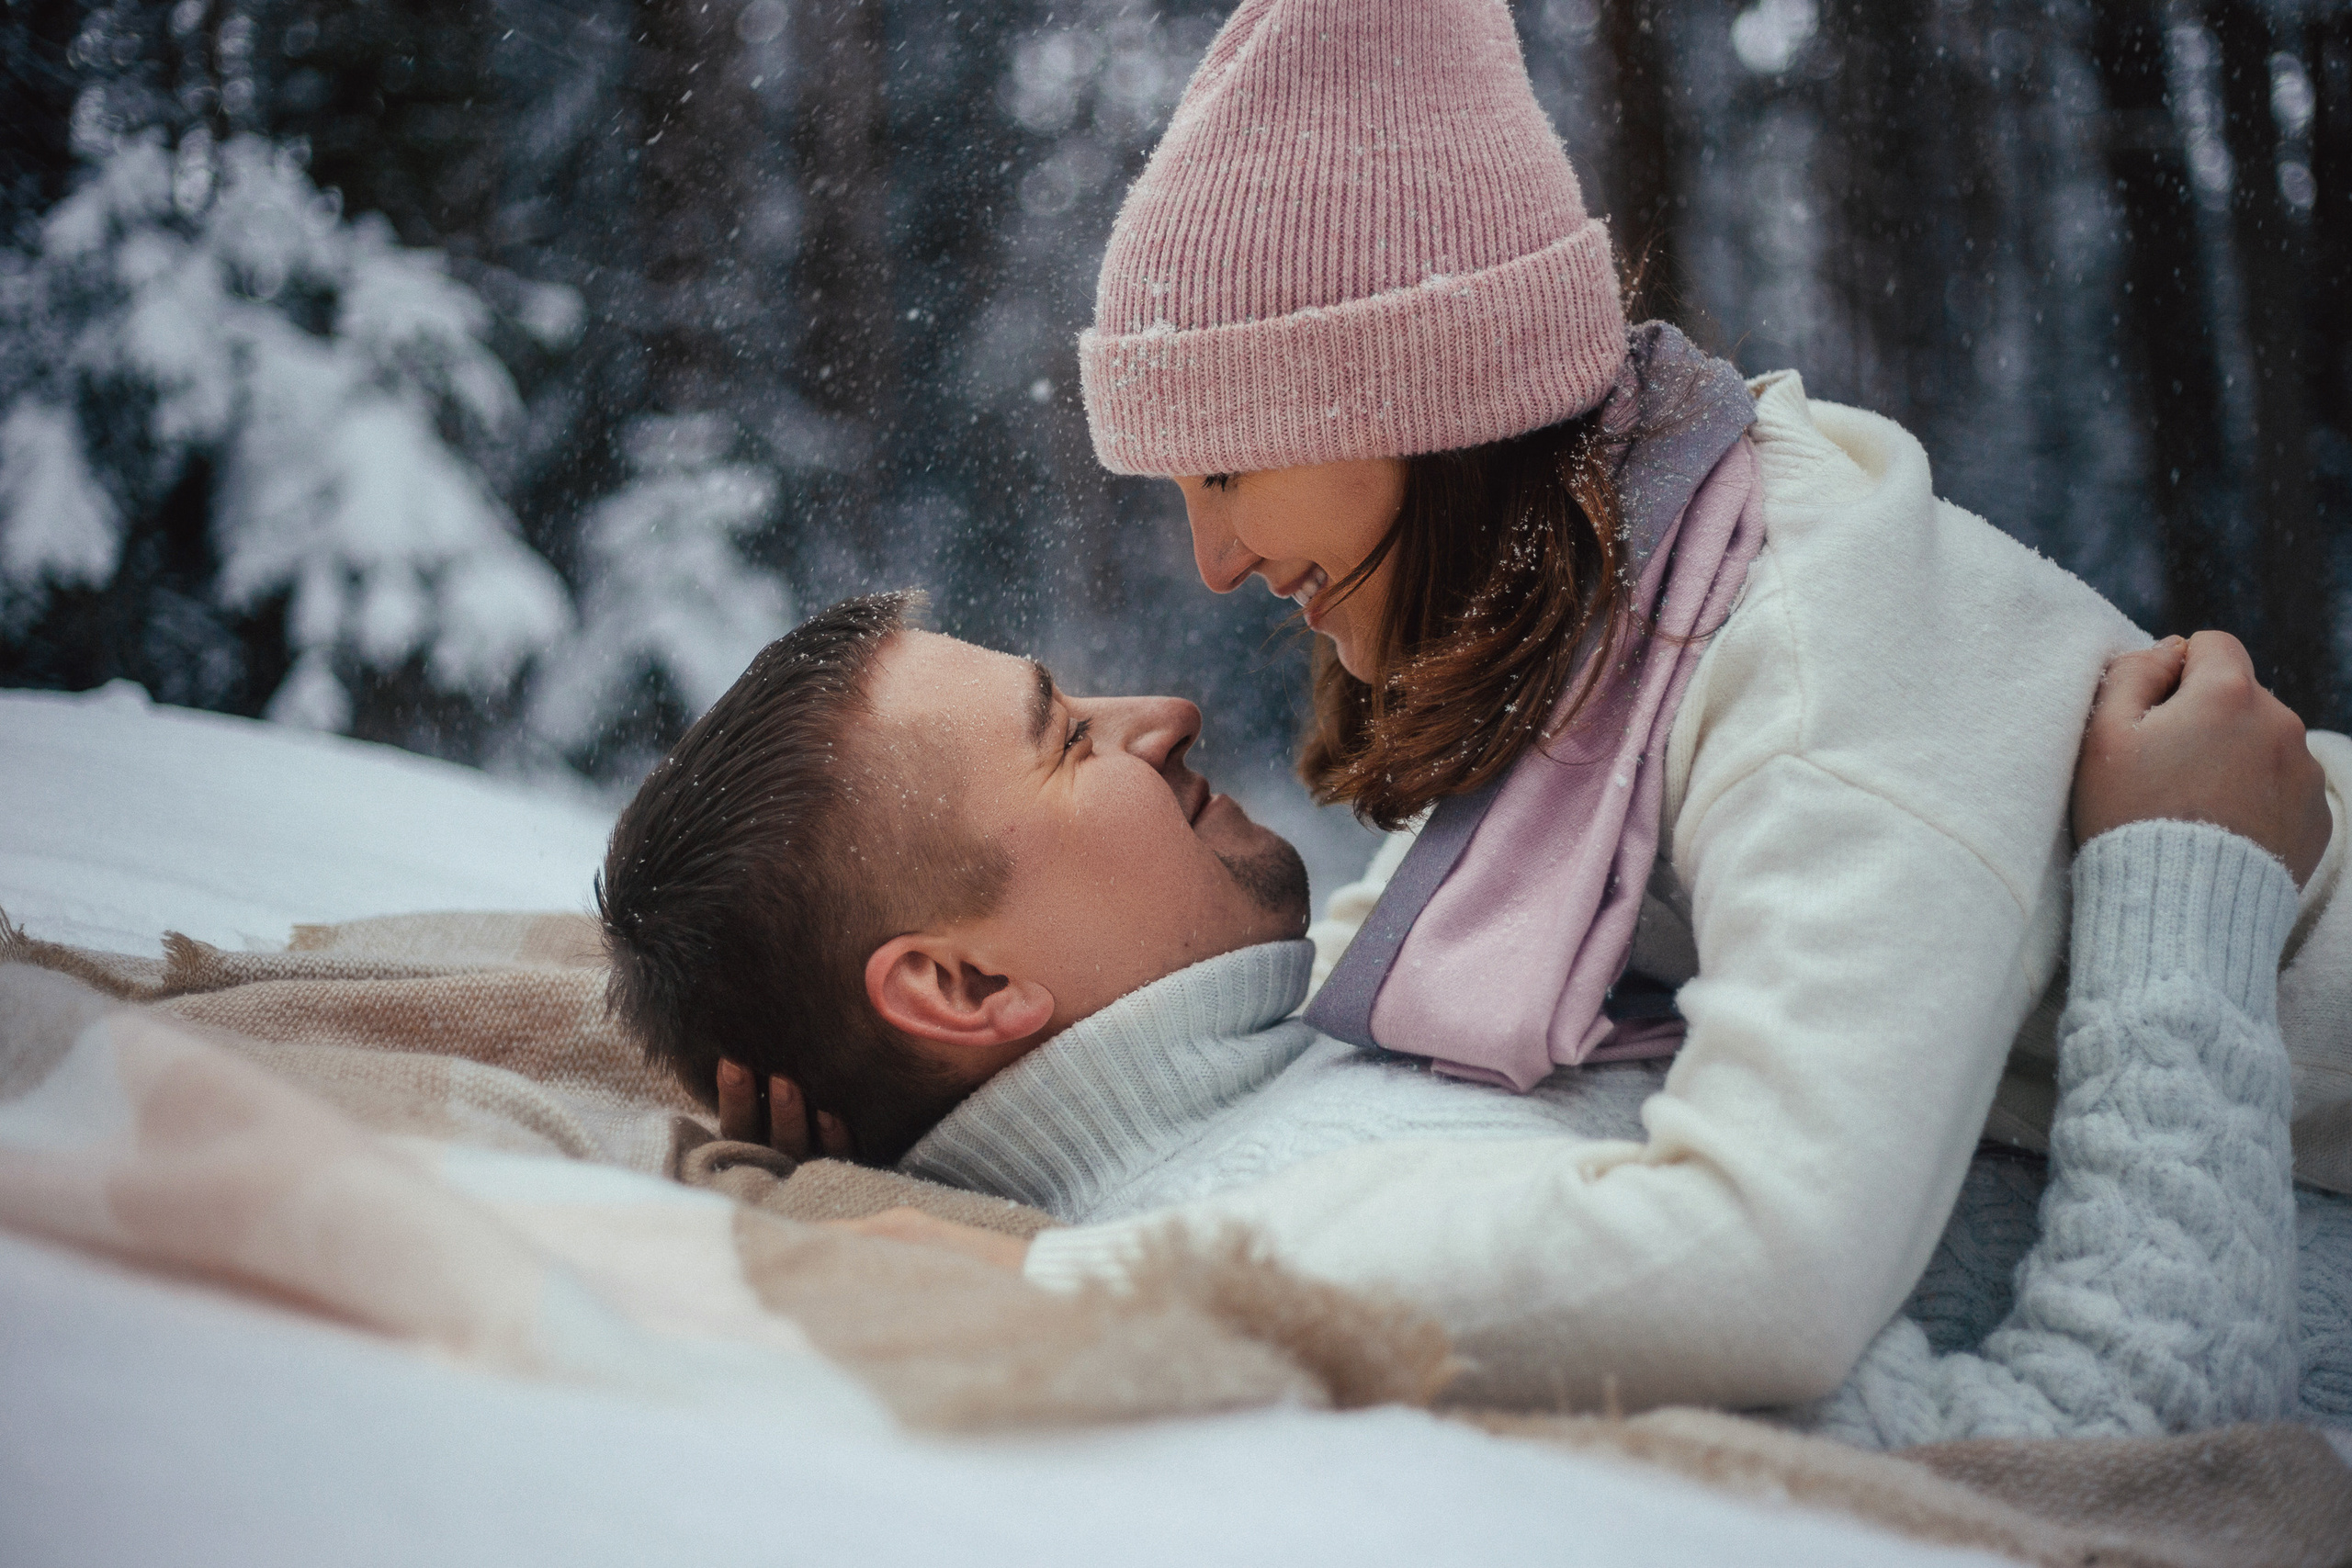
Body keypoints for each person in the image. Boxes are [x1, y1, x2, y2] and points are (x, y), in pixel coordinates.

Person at [1051, 0, 2352, 1404]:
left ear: (1410, 402)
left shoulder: (1795, 651)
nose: (1215, 560)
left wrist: (1076, 1287)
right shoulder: (1600, 633)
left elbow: (1767, 1267)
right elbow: (1356, 995)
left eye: (1226, 471)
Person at [597, 593, 2346, 1438]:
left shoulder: (1327, 1049)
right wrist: (2182, 893)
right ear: (966, 986)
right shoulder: (1342, 1227)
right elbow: (2114, 1451)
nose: (1165, 710)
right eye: (1066, 738)